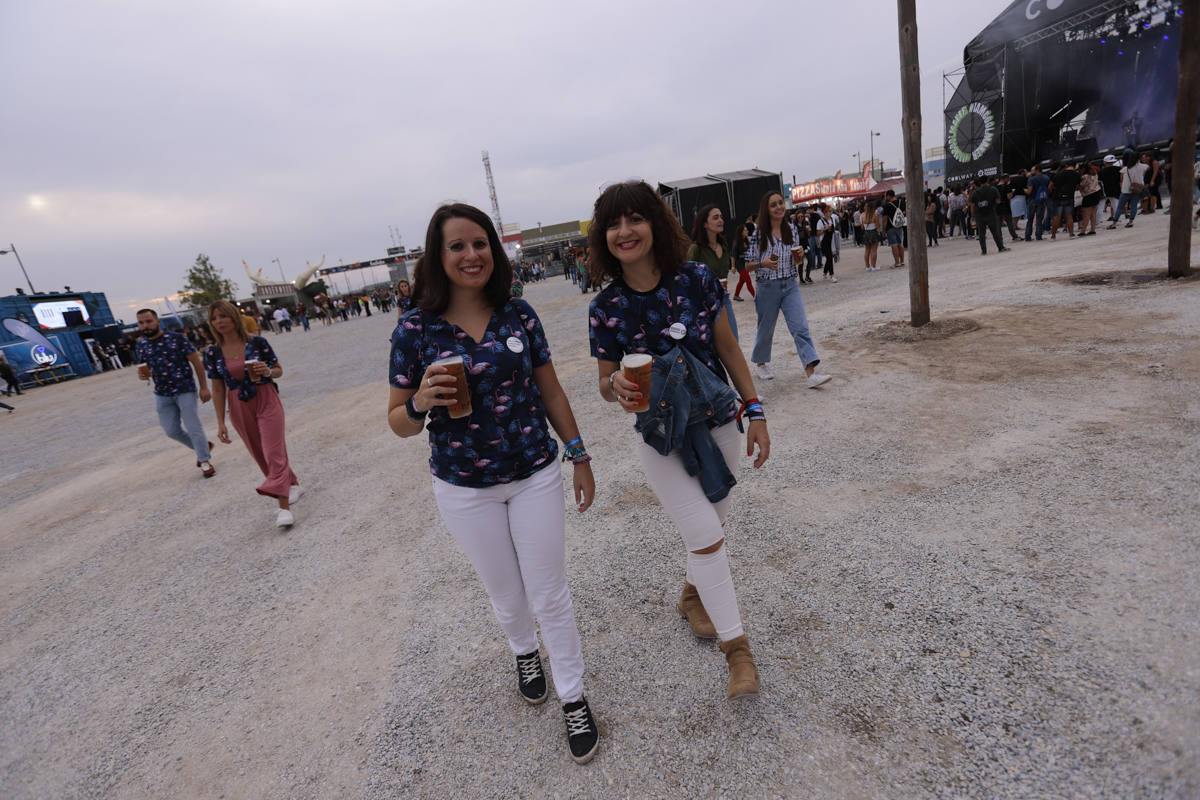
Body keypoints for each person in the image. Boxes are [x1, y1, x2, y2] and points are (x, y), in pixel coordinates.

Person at [387, 202, 600, 765]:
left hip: (533, 473)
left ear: (494, 250)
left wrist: (578, 454)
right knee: (506, 593)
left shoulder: (518, 314)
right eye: (456, 246)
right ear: (438, 256)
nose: (470, 254)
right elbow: (397, 422)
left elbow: (551, 391)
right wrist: (418, 402)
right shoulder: (414, 328)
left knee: (549, 591)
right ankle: (523, 650)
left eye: (479, 243)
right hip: (463, 487)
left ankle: (573, 696)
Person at [586, 179, 768, 700]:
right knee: (707, 536)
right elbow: (604, 382)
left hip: (719, 419)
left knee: (711, 528)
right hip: (659, 438)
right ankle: (739, 653)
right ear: (604, 236)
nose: (626, 231)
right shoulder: (606, 308)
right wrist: (614, 385)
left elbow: (729, 351)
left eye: (635, 218)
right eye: (614, 224)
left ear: (654, 224)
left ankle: (692, 595)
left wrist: (755, 410)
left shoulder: (694, 280)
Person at [205, 300, 300, 528]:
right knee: (259, 453)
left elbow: (278, 370)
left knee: (272, 450)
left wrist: (267, 370)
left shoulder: (258, 342)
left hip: (265, 397)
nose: (219, 321)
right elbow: (217, 388)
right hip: (237, 404)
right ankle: (292, 483)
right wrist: (220, 422)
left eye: (223, 316)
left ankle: (283, 507)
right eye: (214, 318)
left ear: (234, 317)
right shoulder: (212, 352)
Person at [743, 191, 832, 387]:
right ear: (766, 209)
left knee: (800, 327)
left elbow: (795, 259)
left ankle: (811, 373)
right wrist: (762, 263)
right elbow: (747, 265)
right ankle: (761, 363)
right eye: (773, 205)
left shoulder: (791, 229)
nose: (778, 207)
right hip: (767, 286)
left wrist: (799, 254)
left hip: (790, 284)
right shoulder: (759, 235)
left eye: (780, 203)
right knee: (765, 329)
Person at [133, 309, 216, 478]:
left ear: (157, 321)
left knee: (193, 426)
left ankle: (204, 460)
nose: (145, 326)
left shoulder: (177, 339)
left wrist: (204, 387)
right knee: (171, 431)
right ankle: (202, 446)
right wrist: (143, 375)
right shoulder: (141, 344)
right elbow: (145, 368)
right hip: (162, 393)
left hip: (184, 388)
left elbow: (196, 363)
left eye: (148, 321)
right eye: (141, 323)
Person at [687, 204, 739, 341]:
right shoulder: (696, 249)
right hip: (704, 304)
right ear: (705, 224)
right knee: (711, 344)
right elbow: (686, 278)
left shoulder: (724, 245)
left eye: (721, 217)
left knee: (733, 340)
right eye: (715, 218)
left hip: (723, 299)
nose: (721, 220)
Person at [1110, 151, 1149, 229]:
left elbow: (1121, 179)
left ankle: (1114, 223)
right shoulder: (1143, 166)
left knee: (1120, 207)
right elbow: (1146, 171)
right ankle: (1130, 222)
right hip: (1137, 189)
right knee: (1134, 206)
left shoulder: (1125, 168)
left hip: (1125, 190)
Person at [969, 177, 1008, 256]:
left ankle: (984, 251)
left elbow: (972, 205)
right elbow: (998, 201)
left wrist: (972, 216)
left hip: (979, 215)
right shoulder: (993, 189)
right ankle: (1000, 247)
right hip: (991, 214)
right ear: (987, 181)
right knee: (995, 232)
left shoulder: (975, 192)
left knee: (981, 233)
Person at [1025, 165, 1051, 241]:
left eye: (1032, 170)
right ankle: (1039, 236)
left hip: (1032, 200)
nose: (1031, 171)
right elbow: (1049, 189)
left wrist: (1024, 191)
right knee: (1039, 219)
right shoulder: (1046, 178)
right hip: (1042, 200)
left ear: (1037, 170)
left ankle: (1028, 236)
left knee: (1030, 219)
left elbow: (1029, 191)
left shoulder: (1031, 179)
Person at [730, 221, 756, 302]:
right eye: (745, 230)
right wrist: (733, 267)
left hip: (746, 264)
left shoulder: (746, 241)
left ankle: (736, 295)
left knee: (742, 281)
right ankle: (756, 296)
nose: (747, 231)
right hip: (740, 265)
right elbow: (733, 256)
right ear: (741, 232)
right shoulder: (736, 243)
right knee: (748, 281)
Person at [1077, 163, 1103, 235]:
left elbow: (1081, 186)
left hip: (1088, 195)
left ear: (1083, 169)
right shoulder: (1095, 174)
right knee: (1093, 213)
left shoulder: (1085, 177)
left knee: (1086, 214)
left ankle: (1083, 231)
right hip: (1096, 193)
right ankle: (1092, 229)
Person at [881, 190, 906, 268]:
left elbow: (885, 219)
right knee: (900, 244)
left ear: (889, 196)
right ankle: (902, 261)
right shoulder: (901, 202)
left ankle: (897, 262)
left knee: (893, 244)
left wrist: (883, 230)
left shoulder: (887, 205)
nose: (885, 197)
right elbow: (904, 212)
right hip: (900, 225)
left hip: (890, 227)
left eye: (886, 196)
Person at [862, 200, 882, 270]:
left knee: (867, 250)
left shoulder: (863, 215)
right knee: (874, 250)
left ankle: (867, 266)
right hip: (873, 232)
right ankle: (873, 266)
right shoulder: (875, 214)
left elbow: (862, 227)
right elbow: (878, 225)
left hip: (866, 233)